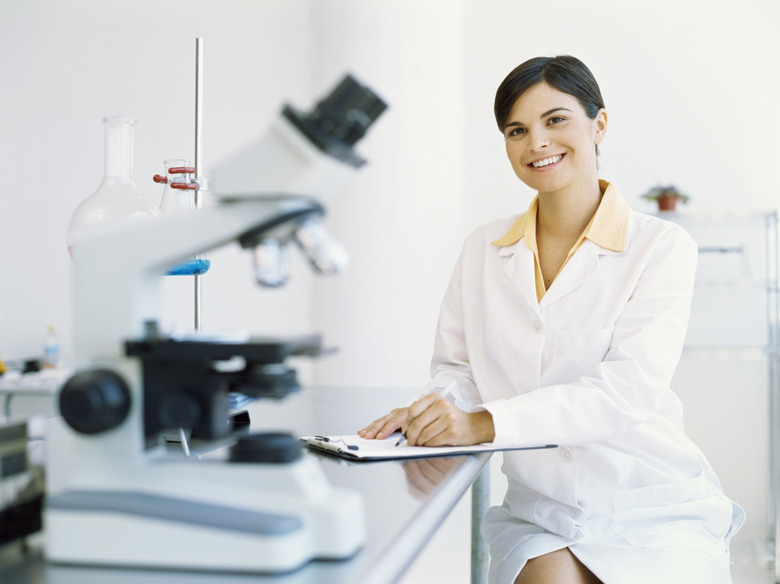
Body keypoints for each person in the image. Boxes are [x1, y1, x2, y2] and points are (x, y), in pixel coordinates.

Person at [358, 55, 744, 583]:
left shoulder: (660, 246)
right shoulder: (483, 249)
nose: (536, 142)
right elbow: (460, 368)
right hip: (539, 509)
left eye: (555, 120)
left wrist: (482, 424)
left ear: (598, 124)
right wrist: (436, 410)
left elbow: (626, 391)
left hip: (651, 504)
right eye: (517, 130)